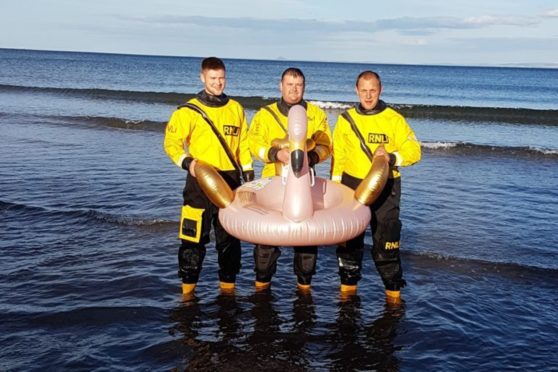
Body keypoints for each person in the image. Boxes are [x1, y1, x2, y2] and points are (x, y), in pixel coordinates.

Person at [163, 57, 254, 296]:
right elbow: (171, 144)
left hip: (230, 182)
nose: (218, 83)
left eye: (222, 78)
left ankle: (228, 292)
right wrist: (188, 163)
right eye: (213, 78)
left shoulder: (236, 108)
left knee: (230, 240)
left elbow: (243, 145)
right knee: (192, 240)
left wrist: (249, 173)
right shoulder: (188, 111)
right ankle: (187, 294)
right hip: (199, 182)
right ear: (202, 78)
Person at [330, 70, 421, 305]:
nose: (368, 96)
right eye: (364, 91)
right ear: (356, 91)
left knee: (386, 247)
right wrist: (336, 189)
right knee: (349, 247)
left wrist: (391, 157)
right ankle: (347, 300)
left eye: (373, 90)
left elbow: (415, 151)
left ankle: (393, 299)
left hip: (385, 188)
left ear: (380, 90)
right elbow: (338, 157)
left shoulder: (394, 119)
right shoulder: (345, 119)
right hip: (351, 188)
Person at [248, 67, 332, 292]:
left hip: (305, 185)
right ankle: (261, 292)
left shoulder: (316, 114)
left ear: (304, 87)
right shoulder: (265, 115)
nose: (294, 90)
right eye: (289, 85)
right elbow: (253, 143)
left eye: (299, 85)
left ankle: (304, 293)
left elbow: (326, 145)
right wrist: (276, 154)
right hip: (272, 186)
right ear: (280, 86)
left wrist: (311, 157)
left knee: (306, 249)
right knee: (265, 249)